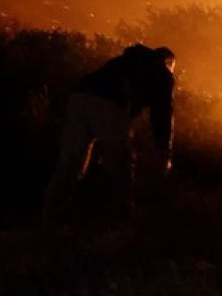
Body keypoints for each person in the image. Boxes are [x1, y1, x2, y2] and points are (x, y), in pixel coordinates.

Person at [44, 44, 175, 224]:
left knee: (71, 162)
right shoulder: (163, 73)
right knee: (120, 163)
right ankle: (122, 222)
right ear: (168, 62)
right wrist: (164, 155)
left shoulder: (125, 61)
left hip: (79, 96)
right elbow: (162, 116)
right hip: (110, 101)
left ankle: (50, 220)